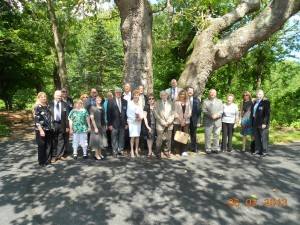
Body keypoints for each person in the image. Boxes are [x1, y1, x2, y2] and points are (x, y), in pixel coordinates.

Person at [49, 90, 69, 163]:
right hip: (52, 124)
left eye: (60, 96)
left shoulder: (65, 104)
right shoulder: (49, 103)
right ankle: (53, 156)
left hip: (62, 124)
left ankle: (60, 155)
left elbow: (67, 116)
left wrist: (67, 126)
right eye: (57, 95)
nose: (59, 97)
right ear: (54, 96)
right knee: (53, 140)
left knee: (61, 140)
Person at [33, 92, 54, 167]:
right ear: (38, 98)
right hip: (41, 129)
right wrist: (41, 130)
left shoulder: (47, 105)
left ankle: (48, 160)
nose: (44, 98)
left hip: (49, 128)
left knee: (49, 145)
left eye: (44, 97)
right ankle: (41, 161)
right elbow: (36, 120)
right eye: (41, 97)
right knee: (42, 145)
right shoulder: (37, 106)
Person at [153, 90, 175, 159]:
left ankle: (166, 151)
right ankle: (158, 152)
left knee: (168, 139)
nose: (164, 96)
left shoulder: (171, 103)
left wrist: (168, 122)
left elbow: (173, 114)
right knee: (159, 139)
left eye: (165, 95)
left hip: (169, 124)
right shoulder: (157, 103)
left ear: (167, 95)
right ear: (160, 96)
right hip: (160, 124)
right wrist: (163, 122)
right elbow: (155, 114)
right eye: (162, 95)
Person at [107, 87, 128, 157]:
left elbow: (126, 113)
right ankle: (114, 151)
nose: (118, 93)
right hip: (113, 123)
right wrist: (109, 124)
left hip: (123, 123)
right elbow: (108, 114)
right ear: (115, 93)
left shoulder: (125, 101)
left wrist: (126, 123)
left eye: (120, 92)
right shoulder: (110, 101)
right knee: (114, 138)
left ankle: (120, 150)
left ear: (121, 93)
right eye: (117, 92)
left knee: (121, 137)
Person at [202, 89, 223, 154]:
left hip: (217, 121)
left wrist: (216, 115)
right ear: (209, 93)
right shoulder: (205, 101)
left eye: (213, 93)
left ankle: (215, 148)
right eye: (211, 92)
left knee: (217, 135)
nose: (212, 94)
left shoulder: (220, 101)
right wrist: (211, 115)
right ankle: (208, 149)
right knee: (208, 136)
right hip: (208, 121)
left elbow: (221, 111)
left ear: (216, 94)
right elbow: (204, 110)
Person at [251, 89, 271, 157]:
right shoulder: (255, 102)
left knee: (264, 137)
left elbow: (267, 114)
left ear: (263, 95)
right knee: (257, 137)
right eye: (257, 94)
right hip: (255, 122)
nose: (258, 95)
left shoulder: (266, 102)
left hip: (262, 123)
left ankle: (264, 151)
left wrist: (265, 123)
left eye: (259, 94)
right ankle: (257, 150)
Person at [89, 95, 108, 160]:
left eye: (100, 98)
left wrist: (106, 125)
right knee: (97, 141)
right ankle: (96, 154)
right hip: (96, 126)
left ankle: (100, 153)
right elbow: (92, 118)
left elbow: (104, 117)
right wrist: (95, 127)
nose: (99, 99)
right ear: (95, 100)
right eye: (97, 98)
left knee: (101, 141)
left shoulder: (102, 107)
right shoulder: (92, 107)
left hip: (102, 125)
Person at [173, 90, 191, 156]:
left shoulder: (188, 103)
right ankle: (177, 151)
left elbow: (190, 112)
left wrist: (184, 119)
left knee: (185, 136)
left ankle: (184, 151)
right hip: (177, 122)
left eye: (183, 94)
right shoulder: (176, 103)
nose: (182, 96)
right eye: (181, 94)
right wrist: (180, 120)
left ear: (185, 95)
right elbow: (174, 112)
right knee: (177, 136)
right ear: (179, 95)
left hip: (186, 121)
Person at [127, 90, 144, 157]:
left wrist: (141, 117)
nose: (136, 96)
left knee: (137, 136)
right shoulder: (130, 103)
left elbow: (142, 112)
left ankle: (136, 150)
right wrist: (135, 119)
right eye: (135, 95)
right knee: (133, 136)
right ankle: (131, 151)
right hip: (132, 122)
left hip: (138, 122)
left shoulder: (140, 103)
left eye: (137, 95)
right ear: (133, 96)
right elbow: (128, 113)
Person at [188, 87, 202, 153]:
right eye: (189, 91)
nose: (190, 92)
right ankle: (184, 148)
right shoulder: (183, 99)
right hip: (185, 120)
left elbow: (199, 112)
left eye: (191, 91)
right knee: (184, 133)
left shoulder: (197, 100)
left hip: (194, 120)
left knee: (193, 134)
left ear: (193, 92)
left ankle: (194, 147)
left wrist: (199, 121)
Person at [61, 87, 74, 155]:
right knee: (61, 135)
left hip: (69, 119)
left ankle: (66, 148)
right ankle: (61, 150)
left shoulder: (70, 99)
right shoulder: (59, 100)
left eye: (66, 92)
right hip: (62, 120)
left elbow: (72, 109)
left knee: (67, 134)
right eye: (63, 91)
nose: (65, 93)